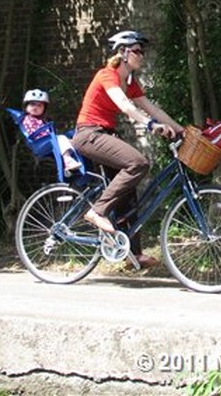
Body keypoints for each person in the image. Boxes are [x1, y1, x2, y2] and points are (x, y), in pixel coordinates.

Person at [72, 29, 181, 269]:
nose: (142, 55)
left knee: (128, 191)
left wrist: (182, 130)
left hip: (104, 135)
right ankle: (97, 211)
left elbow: (152, 108)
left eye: (142, 51)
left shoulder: (130, 82)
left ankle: (133, 255)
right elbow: (125, 106)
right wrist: (151, 125)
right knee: (138, 163)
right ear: (123, 53)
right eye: (137, 51)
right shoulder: (107, 75)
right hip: (89, 134)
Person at [21, 88, 83, 175]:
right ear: (26, 106)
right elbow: (37, 133)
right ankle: (68, 160)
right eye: (32, 104)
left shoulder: (42, 120)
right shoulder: (28, 119)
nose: (35, 107)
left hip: (47, 141)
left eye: (39, 105)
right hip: (40, 144)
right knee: (61, 138)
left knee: (72, 133)